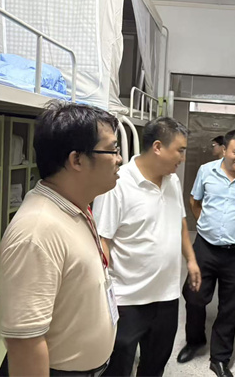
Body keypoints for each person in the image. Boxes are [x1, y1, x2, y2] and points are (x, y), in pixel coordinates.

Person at [0, 101, 122, 376]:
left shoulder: (75, 206)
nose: (119, 159)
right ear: (77, 160)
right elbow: (25, 343)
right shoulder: (37, 231)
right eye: (112, 150)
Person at [92, 117, 201, 377]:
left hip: (167, 297)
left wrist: (191, 259)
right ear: (157, 147)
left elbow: (180, 221)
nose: (183, 157)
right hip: (127, 299)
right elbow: (102, 240)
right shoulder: (117, 183)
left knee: (154, 365)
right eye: (180, 150)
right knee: (117, 368)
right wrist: (100, 293)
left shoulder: (172, 180)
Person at [177, 129, 235, 377]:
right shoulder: (206, 171)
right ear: (224, 150)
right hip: (205, 248)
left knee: (229, 307)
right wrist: (204, 223)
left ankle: (220, 358)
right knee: (194, 297)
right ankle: (195, 341)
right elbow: (194, 201)